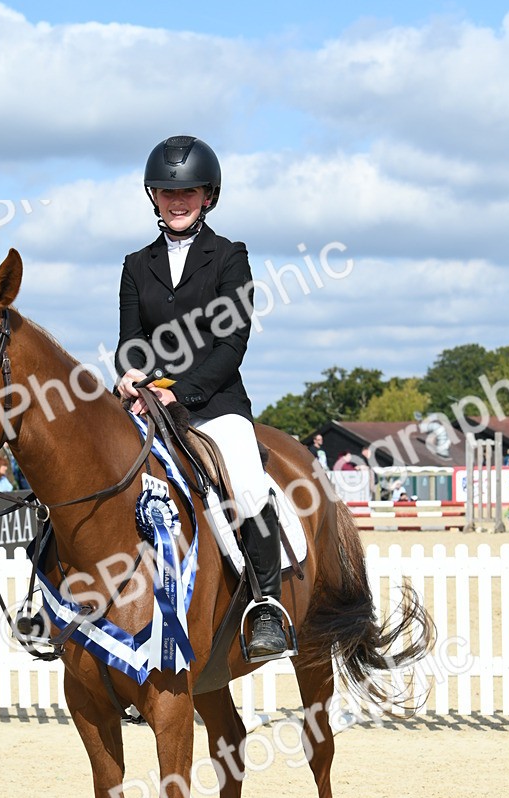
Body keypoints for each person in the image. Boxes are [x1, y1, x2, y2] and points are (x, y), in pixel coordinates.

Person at [114, 134, 286, 659]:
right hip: (147, 404)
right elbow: (130, 340)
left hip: (213, 404)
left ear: (208, 196)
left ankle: (267, 607)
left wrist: (179, 393)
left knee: (249, 486)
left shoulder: (230, 257)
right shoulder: (135, 263)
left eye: (188, 192)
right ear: (154, 197)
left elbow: (232, 344)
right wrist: (129, 375)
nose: (177, 200)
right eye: (167, 191)